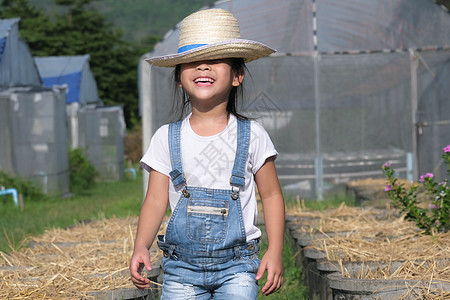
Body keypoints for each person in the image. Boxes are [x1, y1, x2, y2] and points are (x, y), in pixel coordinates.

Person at [130, 8, 285, 299]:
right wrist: (141, 245)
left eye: (214, 60)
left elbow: (273, 196)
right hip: (180, 268)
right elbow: (155, 199)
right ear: (179, 78)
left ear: (237, 75)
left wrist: (275, 251)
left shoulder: (253, 135)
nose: (202, 67)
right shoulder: (166, 137)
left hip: (238, 266)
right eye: (192, 62)